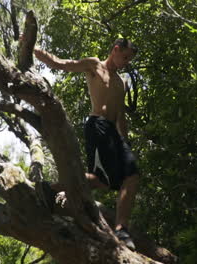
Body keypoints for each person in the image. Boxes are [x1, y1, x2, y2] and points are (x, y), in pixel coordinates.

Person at [33, 38, 139, 250]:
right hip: (97, 126)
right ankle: (49, 189)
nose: (126, 62)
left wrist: (125, 143)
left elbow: (120, 116)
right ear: (115, 49)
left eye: (129, 60)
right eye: (125, 57)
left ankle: (121, 229)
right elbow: (63, 63)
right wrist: (34, 48)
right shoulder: (94, 65)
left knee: (131, 175)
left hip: (114, 134)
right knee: (102, 179)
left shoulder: (121, 82)